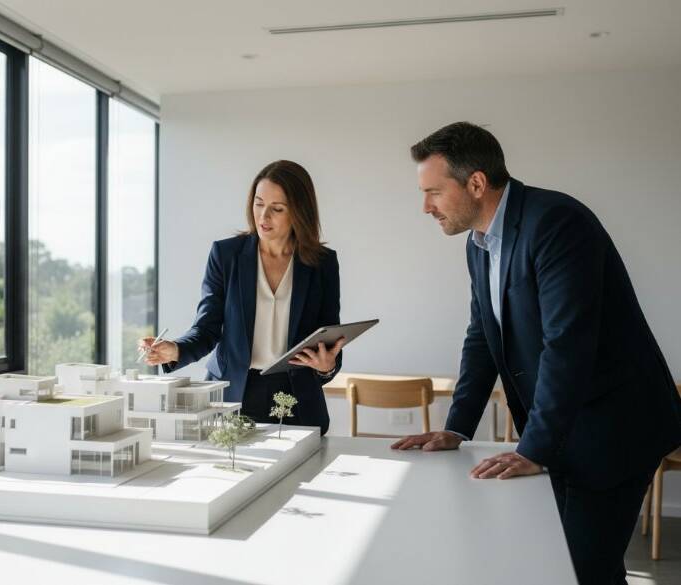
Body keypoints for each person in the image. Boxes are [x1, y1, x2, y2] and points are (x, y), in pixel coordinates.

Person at [393, 122, 681, 585]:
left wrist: (535, 448)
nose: (425, 206)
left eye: (433, 192)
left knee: (580, 572)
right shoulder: (478, 243)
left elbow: (566, 343)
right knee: (579, 568)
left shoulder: (556, 222)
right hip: (566, 430)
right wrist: (456, 427)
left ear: (477, 183)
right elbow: (482, 336)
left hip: (614, 429)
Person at [139, 160, 345, 434]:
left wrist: (327, 367)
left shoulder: (322, 263)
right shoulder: (226, 255)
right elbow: (207, 328)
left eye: (277, 209)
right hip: (233, 394)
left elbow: (329, 337)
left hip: (297, 399)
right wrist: (175, 349)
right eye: (258, 204)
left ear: (299, 211)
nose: (263, 216)